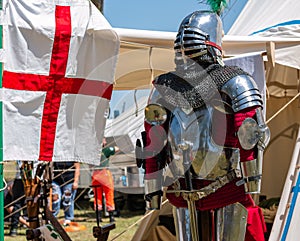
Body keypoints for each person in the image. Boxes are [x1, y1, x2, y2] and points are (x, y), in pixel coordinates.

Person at [136, 7, 270, 241]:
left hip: (224, 188)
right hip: (182, 190)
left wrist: (252, 182)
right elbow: (153, 143)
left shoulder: (235, 82)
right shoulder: (164, 88)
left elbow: (250, 134)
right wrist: (153, 191)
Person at [92, 137, 119, 223]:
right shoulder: (105, 150)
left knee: (97, 195)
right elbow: (117, 149)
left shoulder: (92, 153)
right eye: (104, 140)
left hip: (95, 174)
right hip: (104, 173)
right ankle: (111, 217)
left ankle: (98, 217)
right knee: (109, 194)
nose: (106, 141)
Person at [5, 161, 29, 236]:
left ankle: (29, 224)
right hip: (20, 179)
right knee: (17, 204)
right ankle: (14, 228)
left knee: (30, 202)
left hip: (31, 178)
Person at [52, 161, 80, 226]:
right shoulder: (56, 155)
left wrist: (75, 181)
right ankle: (53, 217)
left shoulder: (72, 155)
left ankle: (68, 218)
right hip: (56, 180)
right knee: (55, 199)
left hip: (69, 180)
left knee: (67, 200)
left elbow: (77, 168)